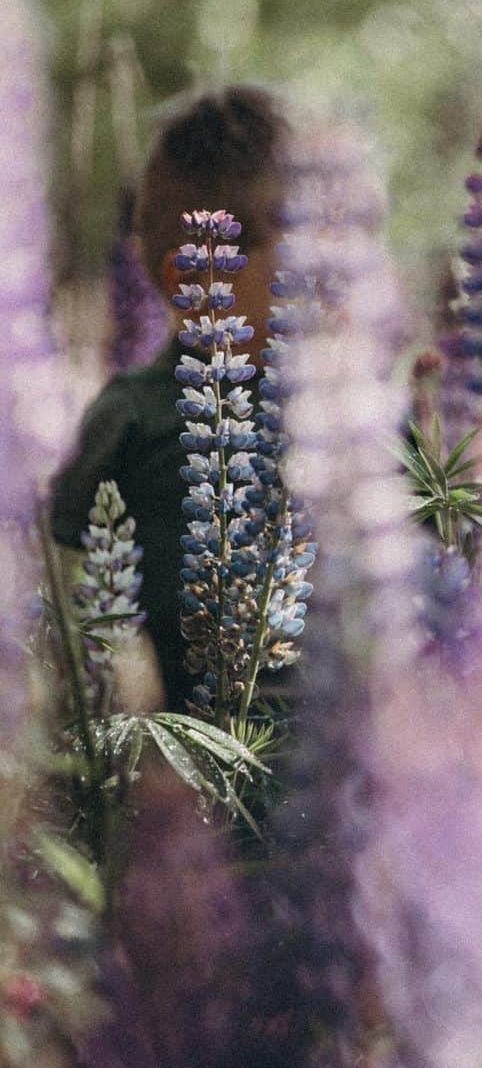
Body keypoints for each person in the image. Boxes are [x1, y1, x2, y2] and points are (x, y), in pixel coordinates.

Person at [50, 86, 290, 713]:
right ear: (200, 280)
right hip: (180, 779)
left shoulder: (357, 421)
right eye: (298, 240)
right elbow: (71, 627)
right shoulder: (128, 421)